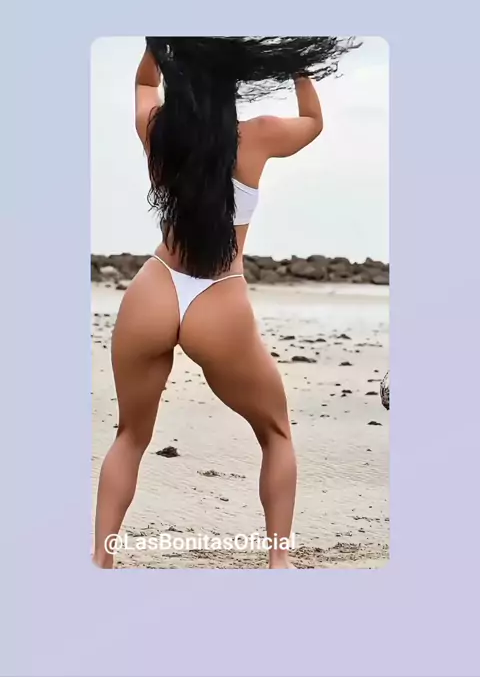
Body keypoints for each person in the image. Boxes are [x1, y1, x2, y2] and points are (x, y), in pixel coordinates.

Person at [93, 37, 353, 569]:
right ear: (231, 84)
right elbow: (313, 122)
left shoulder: (159, 131)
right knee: (275, 433)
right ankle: (278, 564)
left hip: (155, 288)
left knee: (130, 435)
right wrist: (297, 66)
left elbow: (143, 82)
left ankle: (100, 560)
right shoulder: (257, 136)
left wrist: (157, 44)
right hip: (219, 299)